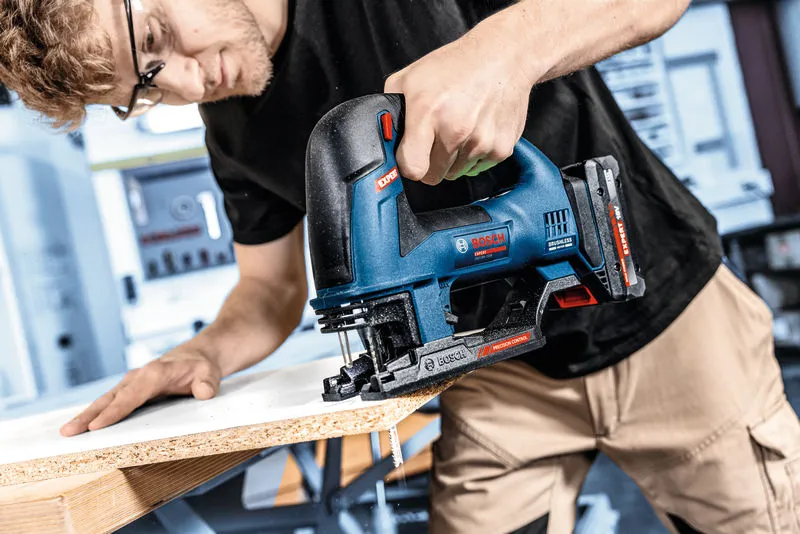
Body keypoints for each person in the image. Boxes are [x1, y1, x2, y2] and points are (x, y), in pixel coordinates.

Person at [2, 0, 798, 531]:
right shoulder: (232, 128)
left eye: (153, 42)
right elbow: (270, 289)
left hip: (669, 324)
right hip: (495, 376)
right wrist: (203, 353)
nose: (181, 79)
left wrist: (500, 50)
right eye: (142, 90)